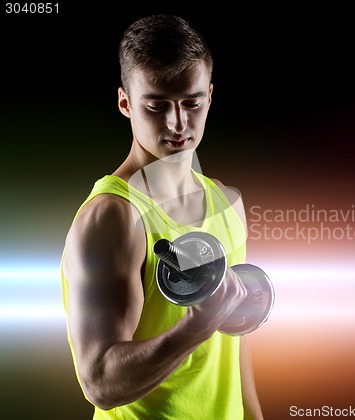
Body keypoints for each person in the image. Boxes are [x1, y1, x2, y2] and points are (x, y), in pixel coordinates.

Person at [61, 14, 264, 419]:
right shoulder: (112, 218)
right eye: (156, 105)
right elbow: (99, 380)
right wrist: (194, 328)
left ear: (210, 96)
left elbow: (233, 343)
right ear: (125, 103)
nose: (177, 123)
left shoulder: (227, 203)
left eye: (192, 103)